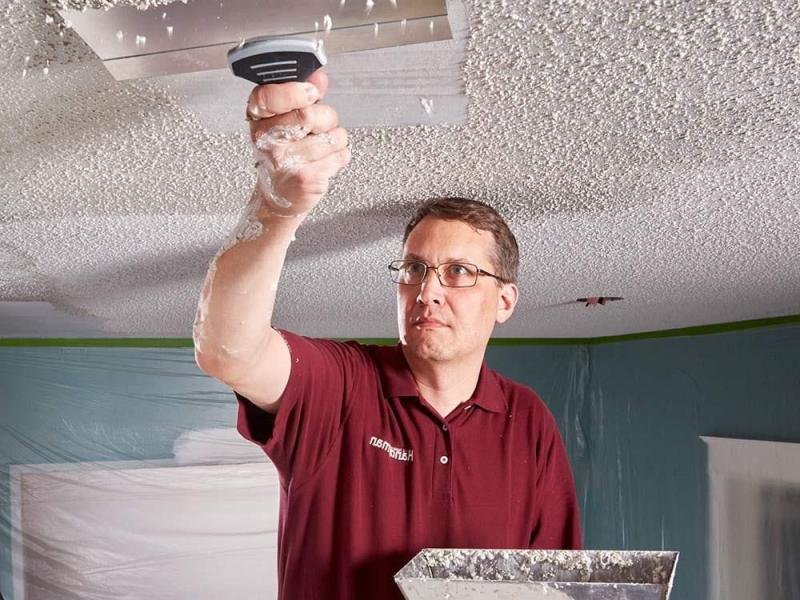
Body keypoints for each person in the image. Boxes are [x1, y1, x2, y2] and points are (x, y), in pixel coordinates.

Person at [194, 70, 581, 600]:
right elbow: (226, 349)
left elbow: (555, 587)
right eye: (414, 270)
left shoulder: (527, 419)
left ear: (505, 301)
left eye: (460, 272)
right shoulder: (342, 388)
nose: (428, 292)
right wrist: (275, 204)